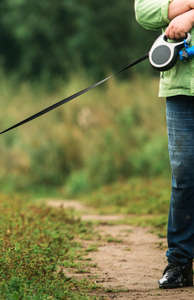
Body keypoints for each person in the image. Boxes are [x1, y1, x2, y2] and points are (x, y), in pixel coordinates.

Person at [135, 0, 194, 289]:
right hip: (180, 87)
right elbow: (143, 10)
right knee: (184, 175)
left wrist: (192, 16)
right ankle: (180, 263)